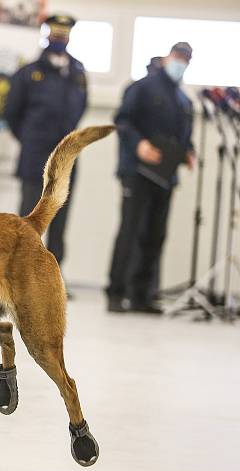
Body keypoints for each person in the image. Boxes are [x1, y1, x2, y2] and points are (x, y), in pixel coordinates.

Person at [106, 43, 195, 314]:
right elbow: (122, 120)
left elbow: (182, 134)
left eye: (186, 59)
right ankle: (116, 292)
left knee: (155, 236)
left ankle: (141, 295)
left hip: (165, 177)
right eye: (178, 56)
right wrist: (138, 145)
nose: (181, 62)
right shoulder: (141, 88)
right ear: (168, 56)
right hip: (137, 172)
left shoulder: (183, 100)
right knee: (130, 231)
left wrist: (187, 151)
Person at [4, 14, 88, 269]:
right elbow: (11, 113)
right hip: (35, 157)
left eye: (64, 35)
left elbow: (81, 107)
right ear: (47, 35)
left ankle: (53, 278)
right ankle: (20, 275)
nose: (59, 38)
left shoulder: (77, 72)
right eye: (55, 34)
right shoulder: (29, 73)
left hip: (66, 159)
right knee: (29, 220)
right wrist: (31, 139)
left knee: (60, 220)